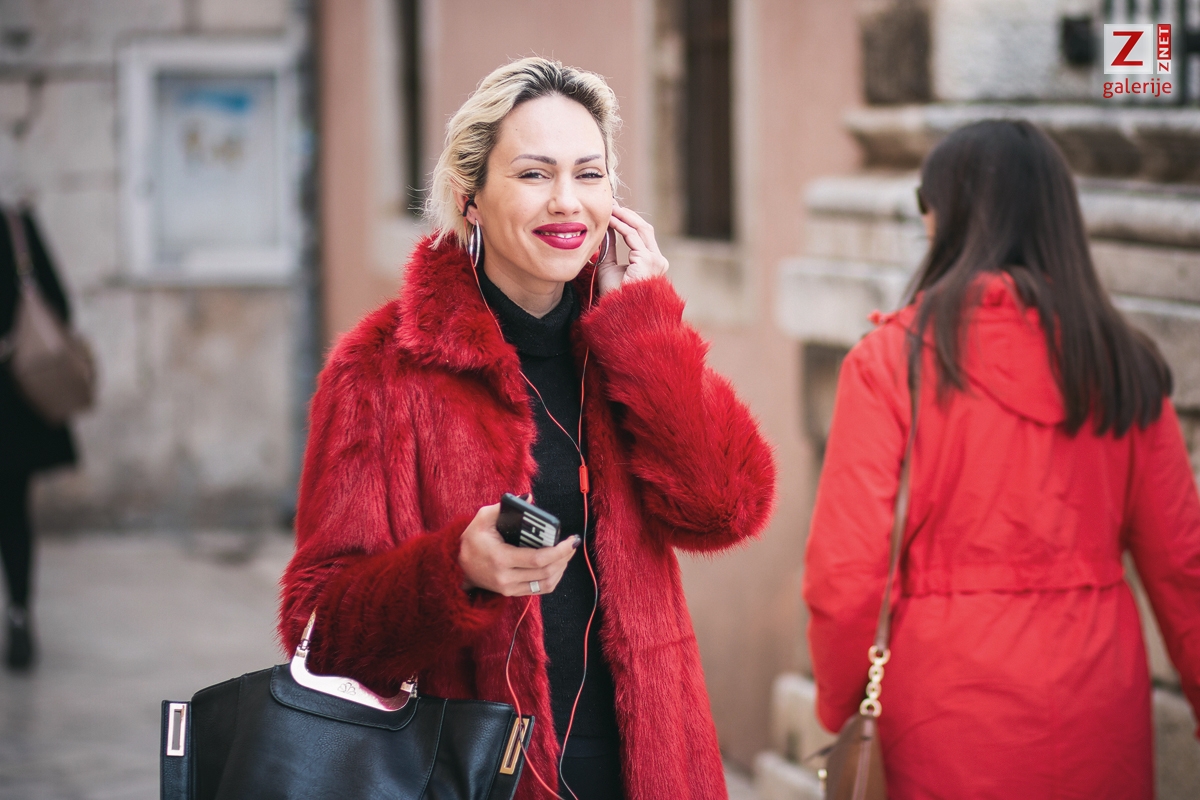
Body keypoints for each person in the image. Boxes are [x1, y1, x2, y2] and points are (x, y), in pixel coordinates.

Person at [279, 57, 776, 800]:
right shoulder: (381, 371)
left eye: (589, 174)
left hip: (649, 770)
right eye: (534, 174)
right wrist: (454, 570)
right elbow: (319, 630)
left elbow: (722, 509)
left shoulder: (629, 345)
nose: (566, 202)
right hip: (468, 776)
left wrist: (648, 327)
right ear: (471, 198)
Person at [804, 119, 1200, 799]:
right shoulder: (1123, 365)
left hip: (944, 710)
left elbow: (845, 575)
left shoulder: (891, 362)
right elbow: (1183, 565)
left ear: (948, 216)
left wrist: (843, 705)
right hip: (1099, 705)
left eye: (926, 205)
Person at [0, 205, 78, 671]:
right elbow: (59, 306)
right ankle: (19, 617)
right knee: (13, 513)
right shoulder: (16, 227)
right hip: (12, 404)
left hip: (11, 406)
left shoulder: (17, 225)